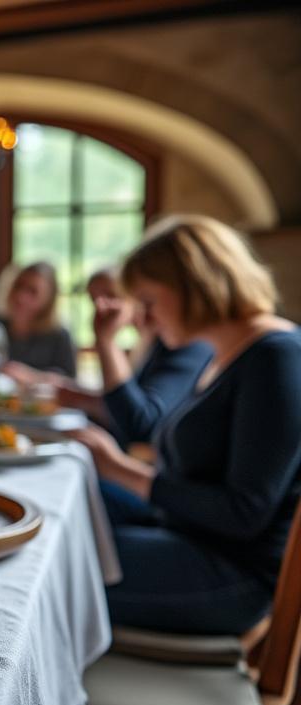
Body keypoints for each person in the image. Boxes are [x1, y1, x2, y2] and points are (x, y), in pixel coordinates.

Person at [68, 215, 301, 635]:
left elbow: (244, 512)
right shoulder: (224, 353)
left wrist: (121, 469)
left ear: (192, 285)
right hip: (185, 533)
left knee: (56, 560)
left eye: (148, 301)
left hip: (231, 575)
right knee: (63, 513)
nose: (143, 319)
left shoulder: (277, 357)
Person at [6, 268, 213, 446]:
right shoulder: (150, 342)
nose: (101, 307)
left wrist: (105, 341)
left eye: (111, 295)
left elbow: (139, 423)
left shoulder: (183, 345)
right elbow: (122, 404)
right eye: (94, 299)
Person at [0, 261, 77, 377]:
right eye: (18, 286)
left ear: (48, 300)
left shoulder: (59, 336)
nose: (21, 297)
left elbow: (70, 383)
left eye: (33, 291)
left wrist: (31, 377)